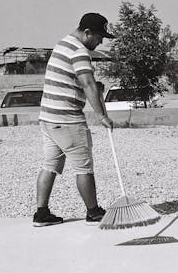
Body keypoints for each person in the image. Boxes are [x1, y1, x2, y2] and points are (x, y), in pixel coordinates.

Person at [33, 12, 115, 227]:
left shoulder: (62, 44)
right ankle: (94, 212)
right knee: (84, 167)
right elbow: (87, 84)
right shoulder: (79, 51)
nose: (101, 41)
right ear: (87, 32)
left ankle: (41, 214)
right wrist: (101, 116)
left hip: (48, 117)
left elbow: (81, 82)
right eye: (99, 36)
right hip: (67, 118)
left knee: (50, 165)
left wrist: (94, 87)